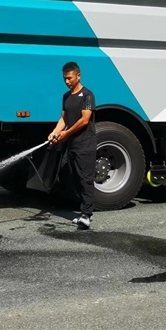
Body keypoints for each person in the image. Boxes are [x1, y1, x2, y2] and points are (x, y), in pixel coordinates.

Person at [48, 61, 97, 230]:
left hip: (85, 144)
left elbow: (84, 120)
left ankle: (87, 216)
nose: (67, 82)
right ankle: (83, 212)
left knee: (85, 179)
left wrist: (66, 134)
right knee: (75, 178)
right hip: (72, 146)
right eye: (64, 79)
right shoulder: (66, 97)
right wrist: (55, 132)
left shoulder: (88, 95)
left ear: (78, 75)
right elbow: (64, 119)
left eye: (69, 78)